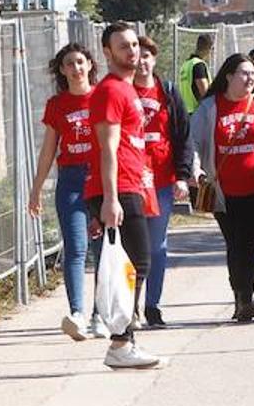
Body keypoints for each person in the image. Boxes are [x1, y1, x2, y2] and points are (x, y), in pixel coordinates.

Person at [86, 22, 161, 369]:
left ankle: (123, 338)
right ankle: (120, 343)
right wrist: (110, 199)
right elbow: (108, 148)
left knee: (135, 266)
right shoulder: (111, 91)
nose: (131, 51)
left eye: (134, 44)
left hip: (133, 184)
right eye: (122, 46)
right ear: (107, 52)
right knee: (135, 265)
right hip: (117, 188)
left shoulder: (128, 90)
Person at [190, 53, 254, 323]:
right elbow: (194, 143)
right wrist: (196, 171)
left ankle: (246, 297)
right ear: (228, 76)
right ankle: (239, 293)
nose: (250, 78)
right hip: (224, 192)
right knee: (234, 243)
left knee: (248, 243)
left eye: (253, 74)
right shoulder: (209, 108)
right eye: (244, 73)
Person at [29, 43, 99, 341]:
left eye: (80, 62)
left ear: (90, 65)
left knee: (103, 249)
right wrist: (36, 189)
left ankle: (101, 313)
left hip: (101, 179)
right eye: (69, 63)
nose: (76, 68)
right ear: (62, 69)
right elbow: (48, 151)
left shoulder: (103, 97)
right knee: (76, 247)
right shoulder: (57, 105)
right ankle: (78, 314)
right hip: (70, 180)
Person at [132, 36, 191, 328]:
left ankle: (152, 305)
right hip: (130, 180)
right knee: (133, 246)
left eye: (147, 56)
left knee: (156, 246)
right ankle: (130, 306)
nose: (142, 61)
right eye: (137, 55)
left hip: (162, 180)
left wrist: (182, 175)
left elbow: (182, 136)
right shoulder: (122, 91)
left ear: (155, 60)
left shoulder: (167, 92)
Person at [178, 33, 213, 115]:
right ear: (208, 48)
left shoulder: (185, 65)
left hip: (185, 112)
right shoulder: (198, 65)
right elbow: (205, 92)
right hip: (198, 113)